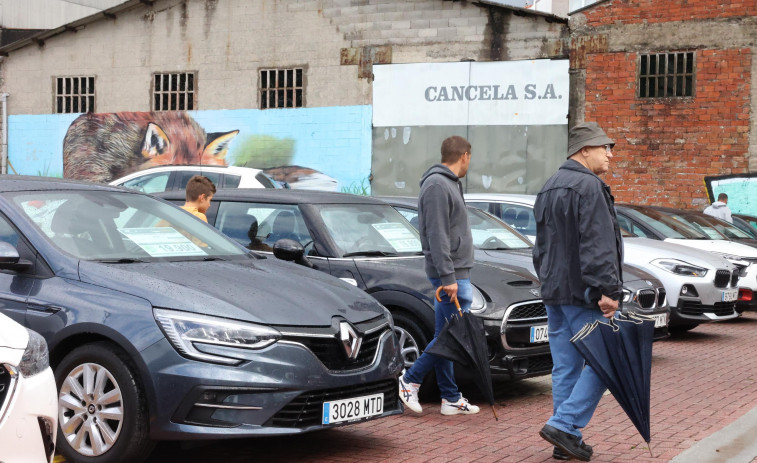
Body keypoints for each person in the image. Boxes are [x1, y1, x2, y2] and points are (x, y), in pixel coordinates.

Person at [532, 122, 623, 462]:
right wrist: (608, 290)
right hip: (584, 296)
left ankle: (565, 439)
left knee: (566, 368)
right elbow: (598, 245)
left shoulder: (549, 186)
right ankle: (563, 424)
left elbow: (540, 249)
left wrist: (548, 283)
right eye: (604, 148)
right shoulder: (590, 187)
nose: (610, 154)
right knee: (608, 362)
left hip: (555, 295)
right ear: (584, 149)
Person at [397, 135, 480, 416]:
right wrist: (448, 278)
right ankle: (409, 380)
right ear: (465, 155)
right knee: (450, 336)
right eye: (471, 158)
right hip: (452, 275)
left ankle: (450, 397)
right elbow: (437, 234)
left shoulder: (448, 184)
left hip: (457, 272)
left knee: (446, 334)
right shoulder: (436, 185)